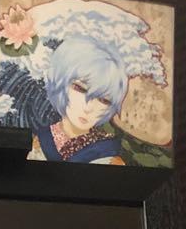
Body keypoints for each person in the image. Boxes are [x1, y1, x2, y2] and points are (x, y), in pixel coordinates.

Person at [29, 36, 128, 165]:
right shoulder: (40, 140)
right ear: (60, 83)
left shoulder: (109, 154)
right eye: (80, 89)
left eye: (103, 100)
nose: (89, 107)